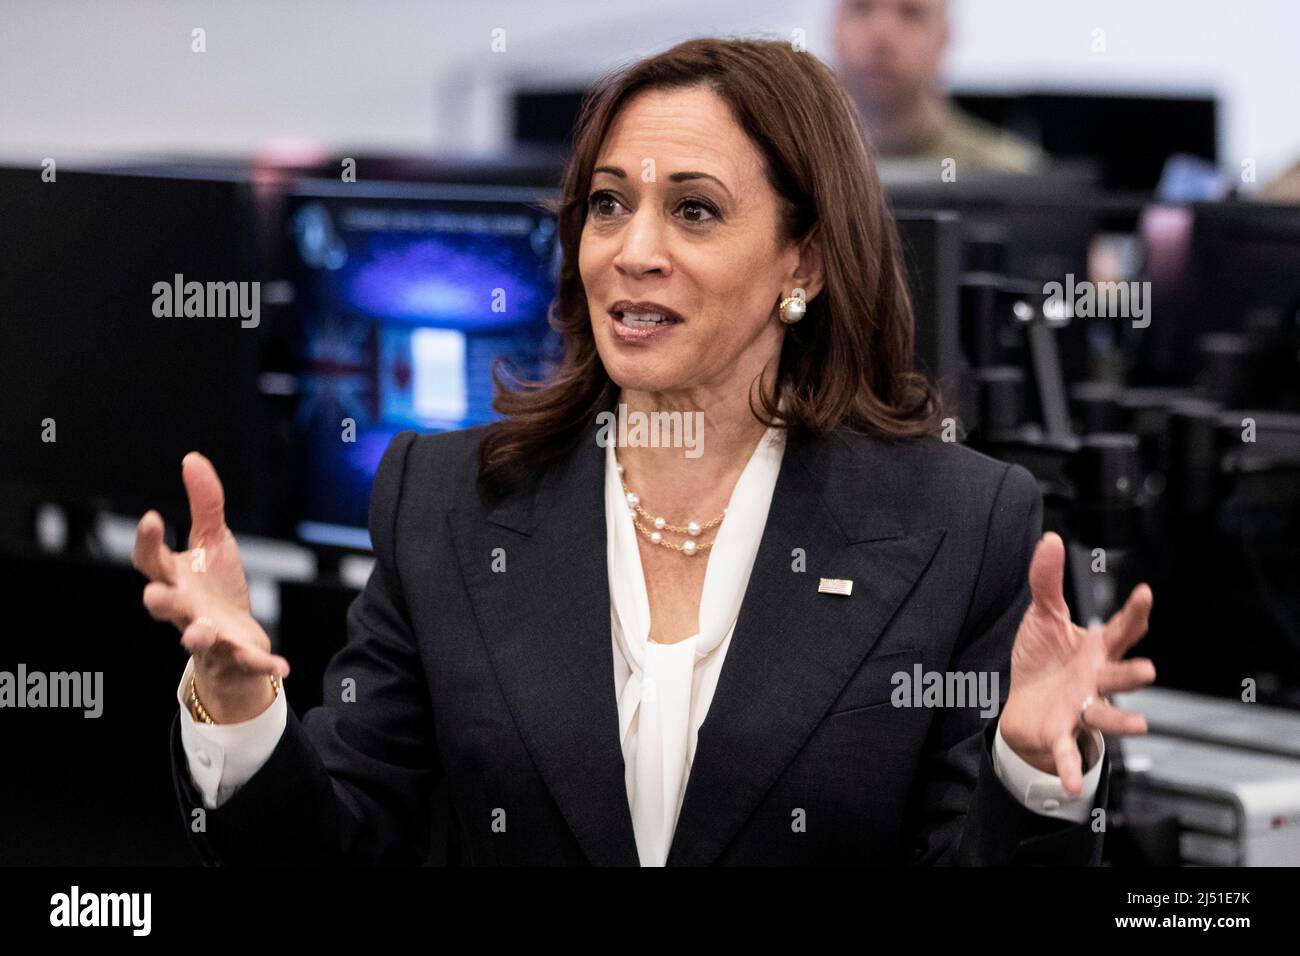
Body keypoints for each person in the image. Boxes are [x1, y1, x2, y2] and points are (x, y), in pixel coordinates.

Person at [133, 36, 1155, 866]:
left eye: (695, 210)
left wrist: (1027, 772)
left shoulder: (960, 522)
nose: (632, 249)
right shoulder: (445, 498)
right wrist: (238, 705)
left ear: (801, 260)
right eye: (608, 203)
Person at [833, 0, 1047, 173]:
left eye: (912, 13)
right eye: (861, 7)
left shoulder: (1009, 175)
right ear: (834, 27)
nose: (882, 35)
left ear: (944, 38)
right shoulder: (801, 169)